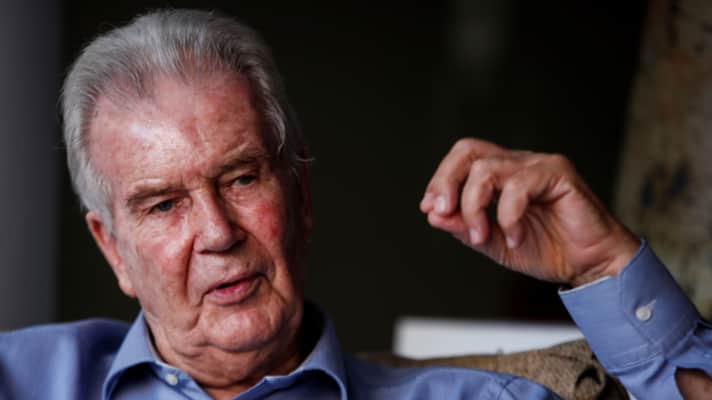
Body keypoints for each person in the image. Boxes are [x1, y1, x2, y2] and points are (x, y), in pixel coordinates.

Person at [0, 8, 710, 400]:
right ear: (112, 248)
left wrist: (603, 267)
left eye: (242, 178)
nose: (217, 232)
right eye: (163, 205)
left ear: (301, 195)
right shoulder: (24, 379)